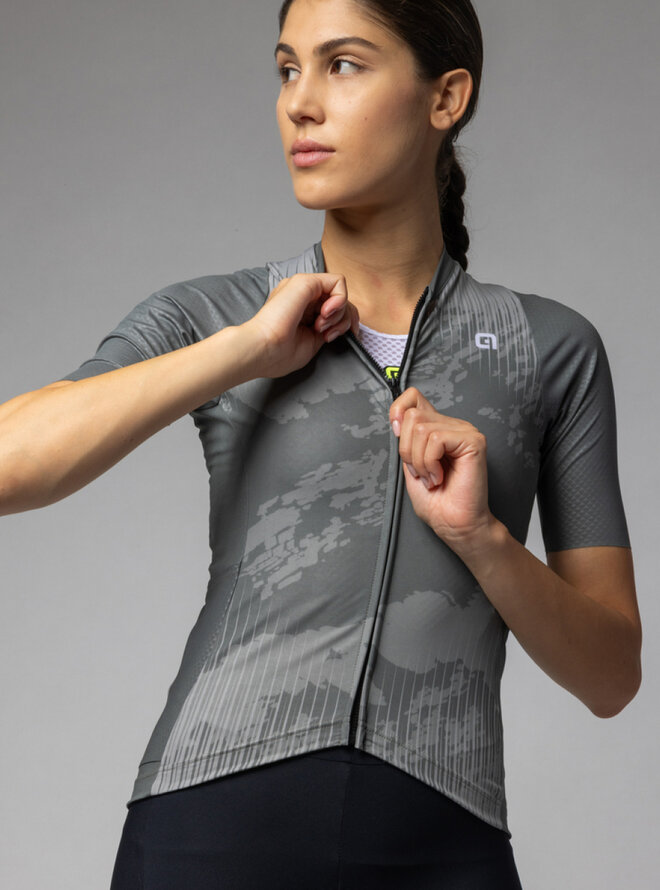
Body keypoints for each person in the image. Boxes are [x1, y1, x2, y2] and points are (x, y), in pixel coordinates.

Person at [0, 0, 642, 887]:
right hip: (207, 835)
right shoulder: (219, 315)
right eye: (287, 69)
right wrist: (245, 352)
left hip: (445, 843)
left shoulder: (549, 349)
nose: (300, 102)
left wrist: (483, 538)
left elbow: (611, 677)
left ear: (446, 97)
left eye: (343, 64)